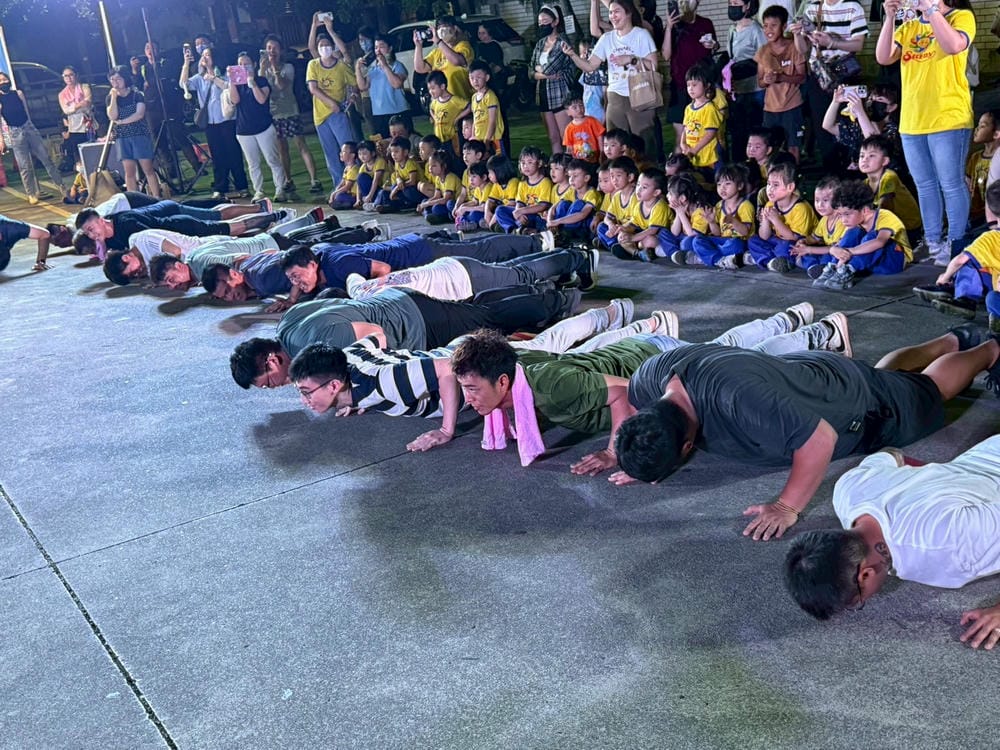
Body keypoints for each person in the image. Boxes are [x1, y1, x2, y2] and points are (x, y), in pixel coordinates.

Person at [615, 322, 997, 541]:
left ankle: (990, 351)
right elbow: (625, 398)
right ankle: (951, 339)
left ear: (687, 447)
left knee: (929, 392)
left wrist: (786, 507)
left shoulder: (740, 401)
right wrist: (627, 453)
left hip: (855, 404)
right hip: (807, 374)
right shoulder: (650, 378)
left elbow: (819, 440)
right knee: (887, 377)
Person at [451, 303, 841, 471]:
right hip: (641, 353)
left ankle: (819, 333)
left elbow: (623, 391)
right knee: (730, 351)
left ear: (503, 381)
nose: (468, 399)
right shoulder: (512, 366)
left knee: (737, 361)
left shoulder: (551, 386)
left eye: (471, 389)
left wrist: (614, 452)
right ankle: (792, 320)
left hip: (653, 362)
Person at [288, 299, 644, 451]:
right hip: (456, 357)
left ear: (334, 384)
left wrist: (446, 430)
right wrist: (356, 399)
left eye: (306, 391)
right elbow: (373, 334)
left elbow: (445, 371)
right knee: (563, 352)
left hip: (465, 360)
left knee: (561, 352)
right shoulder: (349, 360)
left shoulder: (387, 383)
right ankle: (628, 325)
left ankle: (629, 322)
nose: (304, 399)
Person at [784, 434, 1000, 649]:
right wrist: (923, 483)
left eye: (858, 602)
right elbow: (890, 454)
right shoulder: (847, 490)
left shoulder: (948, 545)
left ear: (865, 574)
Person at [229, 284, 583, 389]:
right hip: (400, 304)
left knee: (488, 321)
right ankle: (533, 293)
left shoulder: (316, 342)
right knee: (475, 310)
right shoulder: (288, 323)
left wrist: (370, 380)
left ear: (272, 360)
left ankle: (558, 300)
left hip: (415, 322)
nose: (274, 387)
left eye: (268, 382)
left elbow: (374, 334)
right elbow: (336, 299)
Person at [876, 0, 975, 267]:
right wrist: (889, 17)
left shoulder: (960, 17)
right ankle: (933, 242)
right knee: (925, 185)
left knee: (951, 183)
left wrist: (930, 10)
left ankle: (956, 242)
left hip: (948, 117)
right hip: (912, 121)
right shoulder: (909, 27)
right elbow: (884, 57)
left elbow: (954, 45)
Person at [563, 0, 658, 158]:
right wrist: (572, 55)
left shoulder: (641, 35)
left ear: (628, 13)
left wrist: (632, 59)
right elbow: (590, 66)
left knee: (643, 143)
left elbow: (653, 66)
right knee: (614, 144)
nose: (612, 16)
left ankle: (646, 171)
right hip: (615, 97)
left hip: (639, 94)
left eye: (617, 12)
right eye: (610, 12)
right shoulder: (607, 38)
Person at [343, 246, 598, 302]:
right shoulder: (359, 290)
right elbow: (352, 276)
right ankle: (564, 256)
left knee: (521, 275)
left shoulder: (378, 301)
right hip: (449, 266)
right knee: (513, 268)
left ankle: (577, 258)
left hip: (462, 279)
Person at [789, 0, 868, 168]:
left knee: (848, 123)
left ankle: (852, 167)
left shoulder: (853, 7)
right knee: (822, 126)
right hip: (819, 76)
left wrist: (832, 43)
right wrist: (797, 35)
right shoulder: (813, 7)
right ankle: (831, 170)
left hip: (845, 75)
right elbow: (803, 49)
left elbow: (858, 44)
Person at [915, 181, 1000, 325]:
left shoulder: (989, 239)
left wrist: (944, 277)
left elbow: (960, 260)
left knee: (968, 263)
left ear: (990, 212)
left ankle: (963, 297)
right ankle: (955, 289)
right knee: (991, 296)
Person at [76, 202, 287, 253]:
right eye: (87, 232)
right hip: (170, 218)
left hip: (179, 222)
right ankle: (266, 221)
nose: (92, 234)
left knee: (223, 223)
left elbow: (156, 239)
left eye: (91, 228)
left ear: (101, 219)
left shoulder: (127, 224)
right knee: (217, 219)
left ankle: (265, 211)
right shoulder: (109, 238)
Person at [180, 43, 248, 200]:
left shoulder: (224, 73)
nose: (204, 58)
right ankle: (220, 187)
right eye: (203, 55)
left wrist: (214, 78)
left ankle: (242, 186)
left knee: (234, 153)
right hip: (210, 123)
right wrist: (186, 64)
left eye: (207, 55)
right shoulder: (199, 78)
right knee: (217, 156)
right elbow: (183, 84)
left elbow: (229, 87)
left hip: (227, 120)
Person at [260, 34, 322, 197]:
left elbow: (281, 85)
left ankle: (314, 179)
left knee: (301, 144)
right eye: (269, 48)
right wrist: (262, 69)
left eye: (275, 48)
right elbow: (259, 87)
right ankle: (288, 180)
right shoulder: (263, 69)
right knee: (282, 149)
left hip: (290, 110)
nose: (272, 51)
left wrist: (275, 69)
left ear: (281, 50)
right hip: (274, 113)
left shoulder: (288, 67)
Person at [0, 71, 67, 205]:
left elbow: (26, 111)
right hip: (14, 132)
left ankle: (61, 186)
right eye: (0, 81)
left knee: (46, 159)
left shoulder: (18, 93)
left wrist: (31, 127)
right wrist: (1, 140)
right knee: (24, 166)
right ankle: (31, 193)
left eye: (5, 79)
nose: (3, 82)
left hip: (28, 127)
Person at [229, 52, 288, 204]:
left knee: (272, 159)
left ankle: (280, 188)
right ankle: (259, 191)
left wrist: (252, 82)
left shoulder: (262, 81)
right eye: (240, 64)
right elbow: (234, 100)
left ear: (254, 65)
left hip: (264, 127)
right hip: (244, 130)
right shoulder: (238, 84)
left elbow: (261, 99)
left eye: (246, 64)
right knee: (253, 163)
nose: (243, 67)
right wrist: (232, 81)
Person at [662, 0, 717, 151]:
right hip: (680, 86)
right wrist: (669, 27)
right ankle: (680, 164)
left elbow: (714, 46)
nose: (685, 2)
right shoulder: (674, 26)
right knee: (681, 138)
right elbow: (666, 55)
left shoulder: (706, 23)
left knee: (707, 133)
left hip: (704, 86)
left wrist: (713, 45)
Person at [755, 6, 806, 163]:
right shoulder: (763, 51)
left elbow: (802, 78)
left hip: (792, 106)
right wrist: (766, 80)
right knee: (769, 146)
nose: (768, 30)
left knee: (793, 147)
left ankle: (793, 175)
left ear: (784, 27)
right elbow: (760, 82)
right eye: (765, 26)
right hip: (770, 108)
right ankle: (771, 175)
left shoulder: (794, 47)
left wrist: (781, 77)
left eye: (773, 25)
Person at [307, 31, 357, 187]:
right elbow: (313, 88)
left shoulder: (341, 65)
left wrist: (352, 96)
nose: (325, 48)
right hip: (321, 115)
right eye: (321, 45)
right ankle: (339, 185)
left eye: (327, 45)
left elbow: (354, 84)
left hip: (338, 113)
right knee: (331, 154)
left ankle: (354, 183)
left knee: (347, 150)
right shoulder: (313, 64)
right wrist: (330, 103)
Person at [105, 65, 160, 199]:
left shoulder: (137, 95)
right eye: (112, 80)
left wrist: (123, 122)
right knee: (129, 171)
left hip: (139, 134)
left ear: (125, 79)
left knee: (148, 169)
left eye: (118, 79)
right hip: (122, 137)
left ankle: (157, 197)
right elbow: (112, 116)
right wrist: (113, 98)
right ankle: (134, 199)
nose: (115, 83)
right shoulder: (110, 98)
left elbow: (139, 114)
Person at [530, 5, 579, 155]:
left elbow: (549, 68)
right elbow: (530, 71)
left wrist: (540, 70)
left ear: (555, 21)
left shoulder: (562, 42)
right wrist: (543, 74)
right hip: (543, 94)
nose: (542, 25)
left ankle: (572, 164)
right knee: (553, 138)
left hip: (559, 93)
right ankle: (557, 165)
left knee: (566, 137)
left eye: (545, 21)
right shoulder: (540, 43)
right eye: (540, 22)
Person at [725, 0, 765, 160]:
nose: (732, 5)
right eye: (730, 2)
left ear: (747, 6)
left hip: (754, 89)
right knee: (738, 131)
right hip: (737, 88)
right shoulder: (732, 29)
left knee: (754, 130)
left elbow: (764, 57)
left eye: (736, 2)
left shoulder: (756, 30)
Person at [354, 33, 410, 139]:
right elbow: (363, 86)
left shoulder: (397, 66)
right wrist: (358, 69)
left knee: (402, 142)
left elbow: (396, 84)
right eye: (376, 47)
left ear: (390, 48)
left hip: (398, 111)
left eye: (382, 47)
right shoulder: (373, 68)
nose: (378, 50)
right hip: (379, 113)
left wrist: (384, 65)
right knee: (384, 144)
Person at [413, 16, 474, 102]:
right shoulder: (437, 52)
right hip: (442, 103)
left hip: (461, 101)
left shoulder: (463, 46)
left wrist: (439, 42)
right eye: (439, 28)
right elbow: (420, 68)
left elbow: (456, 61)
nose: (441, 31)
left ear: (455, 29)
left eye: (444, 27)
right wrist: (418, 46)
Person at [58, 66, 93, 171]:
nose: (68, 78)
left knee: (92, 152)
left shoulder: (84, 87)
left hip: (89, 124)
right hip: (74, 127)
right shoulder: (62, 94)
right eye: (65, 76)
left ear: (76, 75)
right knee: (79, 156)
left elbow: (88, 103)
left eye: (71, 75)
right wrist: (80, 105)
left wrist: (73, 107)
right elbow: (66, 111)